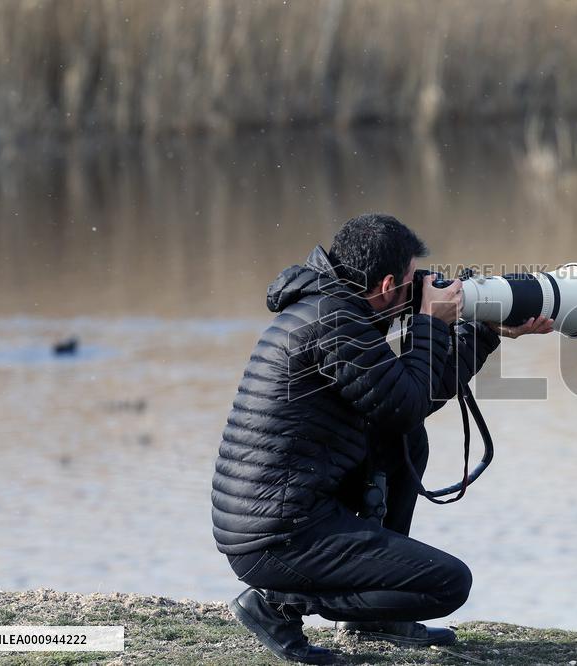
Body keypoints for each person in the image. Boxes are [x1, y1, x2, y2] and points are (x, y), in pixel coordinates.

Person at [211, 213, 552, 664]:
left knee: (406, 440)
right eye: (414, 279)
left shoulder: (332, 309)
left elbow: (406, 402)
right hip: (278, 539)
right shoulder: (333, 323)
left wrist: (483, 331)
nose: (421, 287)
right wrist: (432, 320)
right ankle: (278, 605)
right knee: (449, 584)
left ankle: (374, 618)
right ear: (389, 284)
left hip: (285, 516)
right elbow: (407, 400)